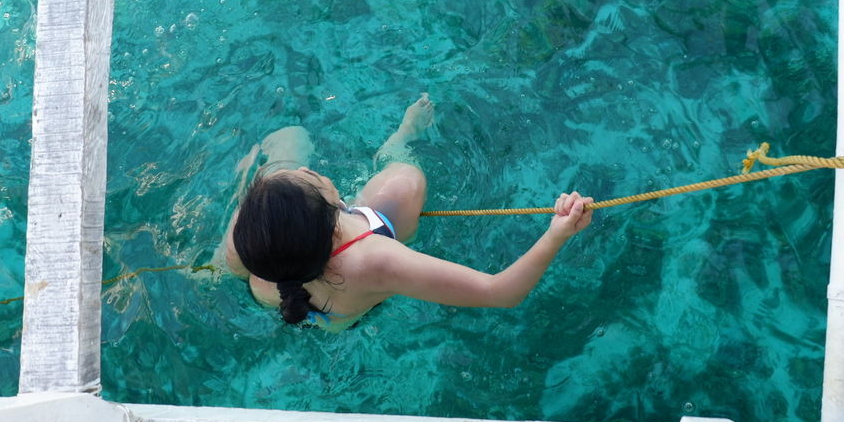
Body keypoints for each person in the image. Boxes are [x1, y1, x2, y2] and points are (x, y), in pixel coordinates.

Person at [220, 94, 593, 332]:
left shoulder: (251, 239)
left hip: (281, 297)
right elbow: (500, 292)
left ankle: (211, 269)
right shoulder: (375, 262)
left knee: (291, 137)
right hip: (349, 305)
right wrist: (556, 234)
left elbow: (275, 207)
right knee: (404, 183)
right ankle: (400, 142)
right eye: (312, 179)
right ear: (335, 215)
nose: (307, 171)